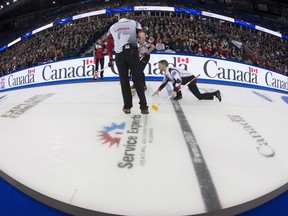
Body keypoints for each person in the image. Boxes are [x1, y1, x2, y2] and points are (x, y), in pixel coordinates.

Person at [106, 14, 149, 114]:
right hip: (132, 52)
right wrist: (140, 43)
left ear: (119, 20)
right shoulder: (134, 23)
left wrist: (110, 58)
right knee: (138, 79)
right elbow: (142, 37)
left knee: (124, 81)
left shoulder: (112, 27)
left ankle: (127, 107)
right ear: (127, 19)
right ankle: (144, 107)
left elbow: (109, 45)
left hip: (119, 54)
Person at [152, 60, 222, 102]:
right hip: (187, 78)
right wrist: (158, 90)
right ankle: (215, 93)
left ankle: (179, 95)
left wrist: (174, 91)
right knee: (199, 96)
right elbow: (164, 82)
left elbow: (179, 80)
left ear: (163, 66)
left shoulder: (172, 71)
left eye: (159, 66)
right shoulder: (167, 73)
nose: (158, 67)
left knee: (175, 82)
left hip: (190, 78)